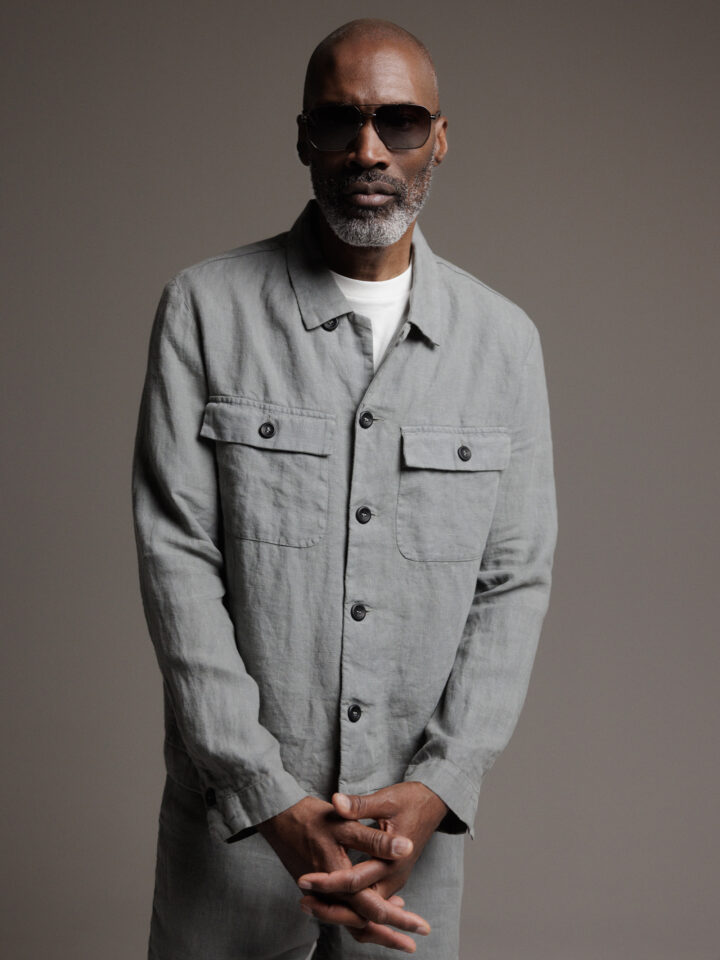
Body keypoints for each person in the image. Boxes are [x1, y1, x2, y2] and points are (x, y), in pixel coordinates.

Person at [131, 17, 558, 960]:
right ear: (302, 139)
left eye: (399, 122)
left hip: (409, 844)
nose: (369, 150)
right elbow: (176, 562)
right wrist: (267, 795)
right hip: (234, 838)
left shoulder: (504, 345)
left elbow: (513, 582)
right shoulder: (205, 311)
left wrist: (442, 783)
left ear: (438, 139)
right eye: (339, 121)